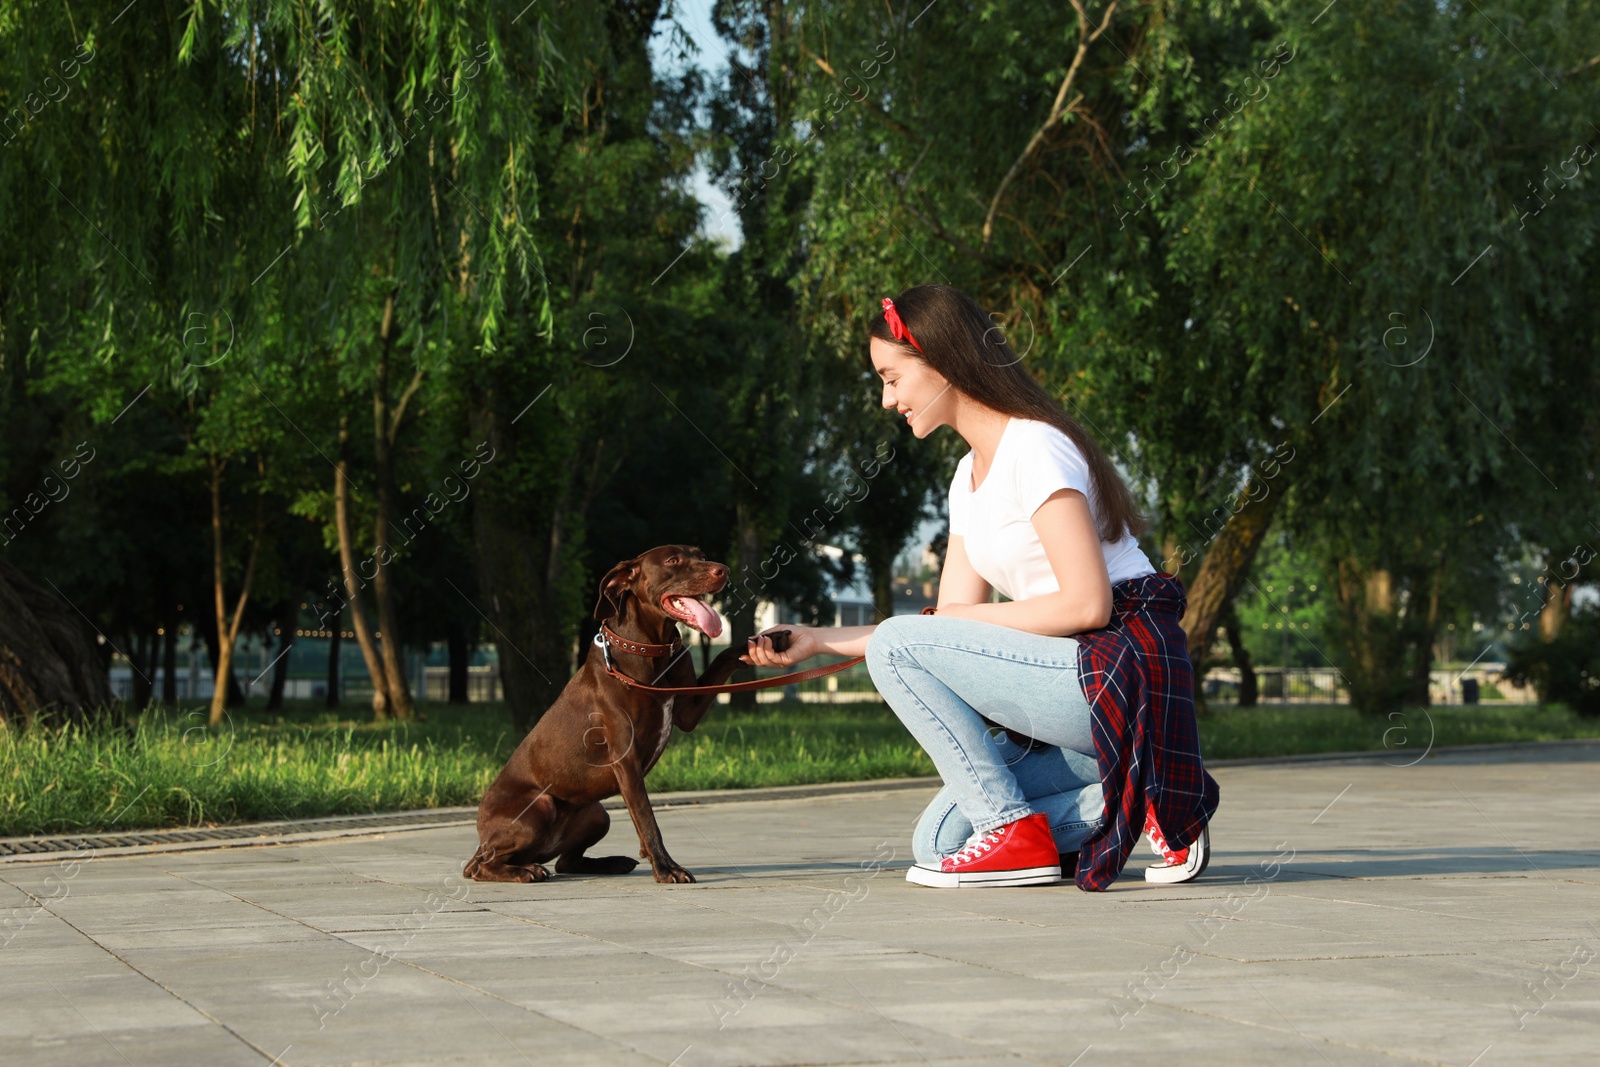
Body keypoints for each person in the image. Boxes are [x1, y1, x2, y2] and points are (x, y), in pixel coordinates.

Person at [740, 284, 1218, 890]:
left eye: (891, 377)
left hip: (1122, 671)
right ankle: (1150, 796)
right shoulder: (968, 476)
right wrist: (818, 640)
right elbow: (944, 629)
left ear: (940, 363)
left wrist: (942, 624)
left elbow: (1087, 603)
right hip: (1070, 689)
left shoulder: (1035, 447)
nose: (887, 400)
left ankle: (1017, 829)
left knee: (905, 652)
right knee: (938, 842)